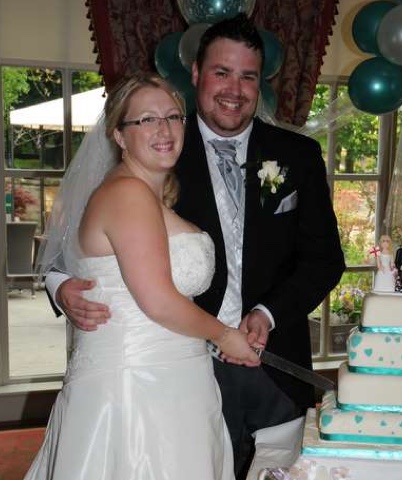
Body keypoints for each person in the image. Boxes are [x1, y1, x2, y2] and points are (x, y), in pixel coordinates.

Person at [46, 14, 345, 479]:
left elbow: (324, 258)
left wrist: (267, 313)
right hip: (168, 371)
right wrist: (63, 285)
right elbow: (74, 243)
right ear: (196, 75)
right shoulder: (158, 149)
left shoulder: (297, 155)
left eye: (248, 76)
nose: (234, 88)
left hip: (275, 366)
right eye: (221, 72)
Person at [26, 73, 261, 480]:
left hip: (172, 377)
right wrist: (224, 335)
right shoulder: (127, 194)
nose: (164, 129)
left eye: (172, 116)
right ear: (119, 134)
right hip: (138, 387)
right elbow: (158, 299)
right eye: (146, 120)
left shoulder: (149, 191)